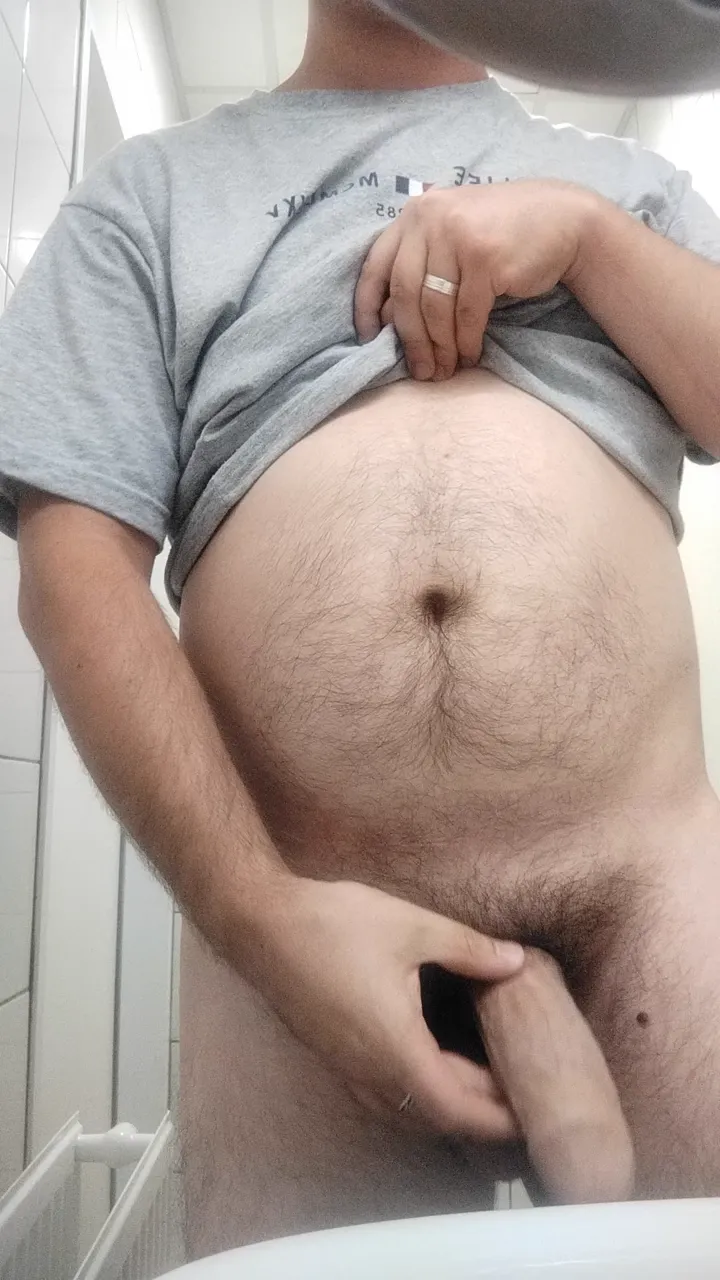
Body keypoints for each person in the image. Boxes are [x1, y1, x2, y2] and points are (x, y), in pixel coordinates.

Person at [2, 0, 720, 1259]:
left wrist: (587, 236)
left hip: (647, 882)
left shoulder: (630, 184)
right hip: (299, 900)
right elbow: (74, 573)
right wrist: (261, 918)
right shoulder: (143, 198)